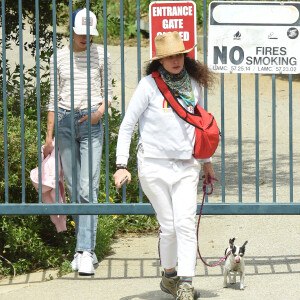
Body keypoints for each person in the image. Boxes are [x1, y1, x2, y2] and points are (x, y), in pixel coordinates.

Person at [113, 32, 215, 299]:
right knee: (168, 226)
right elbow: (127, 126)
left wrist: (207, 162)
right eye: (169, 56)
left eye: (179, 54)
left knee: (184, 223)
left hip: (186, 166)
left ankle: (186, 283)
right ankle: (169, 275)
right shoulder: (148, 85)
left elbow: (202, 124)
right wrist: (121, 165)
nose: (175, 60)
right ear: (160, 59)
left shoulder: (194, 84)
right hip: (153, 165)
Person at [44, 8, 113, 276]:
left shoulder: (102, 56)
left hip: (90, 122)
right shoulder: (59, 56)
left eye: (90, 33)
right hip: (63, 122)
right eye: (81, 32)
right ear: (71, 30)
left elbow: (108, 92)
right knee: (74, 189)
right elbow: (52, 96)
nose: (86, 37)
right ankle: (86, 251)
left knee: (88, 187)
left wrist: (98, 113)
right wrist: (48, 135)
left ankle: (84, 250)